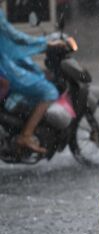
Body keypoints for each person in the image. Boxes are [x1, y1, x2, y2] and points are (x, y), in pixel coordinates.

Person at [0, 5, 63, 154]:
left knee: (33, 72)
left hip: (6, 64)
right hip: (4, 69)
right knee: (49, 91)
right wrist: (45, 43)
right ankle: (26, 135)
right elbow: (16, 37)